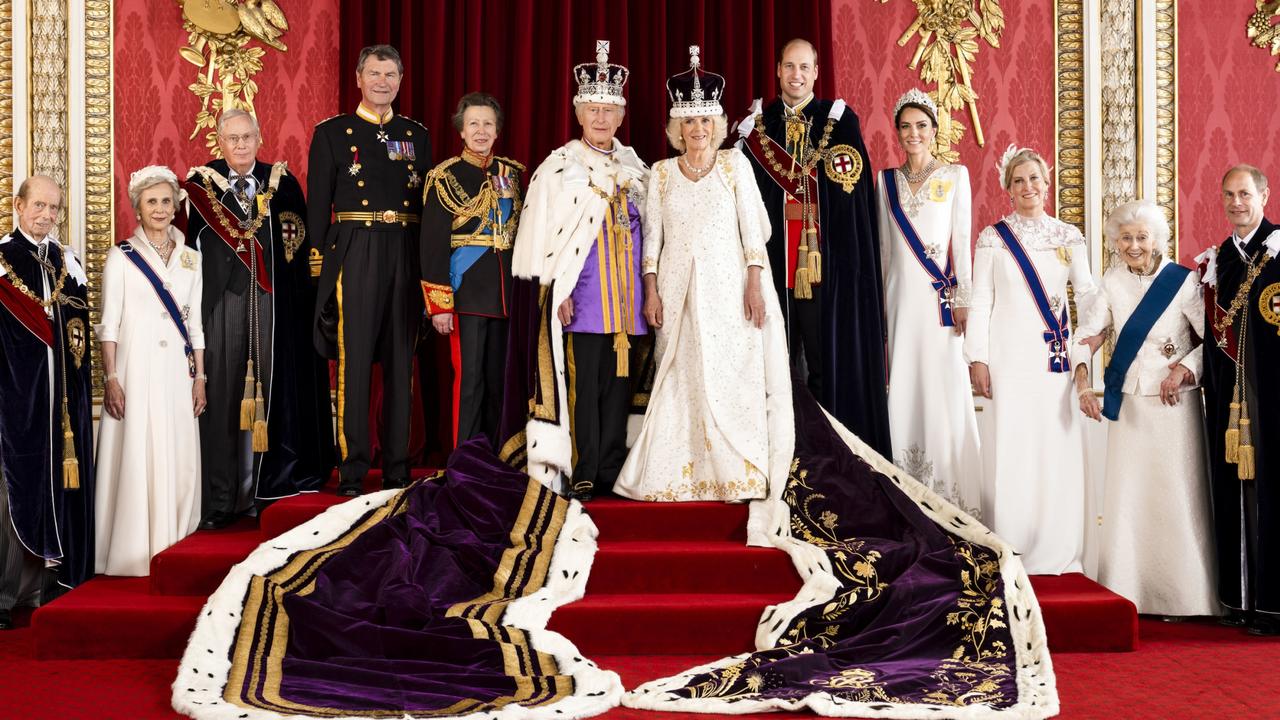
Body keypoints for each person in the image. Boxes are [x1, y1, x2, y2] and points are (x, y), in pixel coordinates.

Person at [615, 47, 790, 504]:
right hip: (676, 291)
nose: (698, 130)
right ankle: (680, 474)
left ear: (718, 123)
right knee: (681, 376)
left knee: (731, 373)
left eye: (706, 121)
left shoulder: (735, 165)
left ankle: (736, 472)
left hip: (730, 289)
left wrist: (755, 285)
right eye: (690, 122)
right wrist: (650, 291)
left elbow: (755, 234)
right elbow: (650, 241)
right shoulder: (662, 173)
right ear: (677, 127)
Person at [736, 38, 890, 457]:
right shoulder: (757, 129)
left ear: (816, 72)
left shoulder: (839, 122)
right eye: (789, 66)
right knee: (777, 365)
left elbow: (853, 199)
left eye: (804, 67)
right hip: (773, 266)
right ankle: (780, 452)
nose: (796, 75)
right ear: (778, 71)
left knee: (824, 364)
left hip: (825, 268)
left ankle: (826, 453)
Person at [510, 40, 648, 501]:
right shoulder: (560, 168)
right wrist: (557, 290)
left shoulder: (637, 168)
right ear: (578, 112)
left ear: (621, 116)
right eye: (593, 109)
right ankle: (584, 468)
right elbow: (542, 238)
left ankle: (613, 466)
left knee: (619, 388)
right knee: (583, 387)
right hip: (584, 298)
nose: (601, 118)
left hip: (629, 304)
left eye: (609, 110)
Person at [184, 109, 334, 530]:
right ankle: (220, 500)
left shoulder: (282, 184)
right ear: (219, 142)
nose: (240, 145)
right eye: (231, 138)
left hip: (272, 306)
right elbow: (185, 255)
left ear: (259, 137)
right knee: (224, 401)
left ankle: (265, 490)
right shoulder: (200, 185)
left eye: (246, 136)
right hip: (222, 306)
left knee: (271, 396)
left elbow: (299, 252)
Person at [1071, 199, 1216, 617]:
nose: (1134, 245)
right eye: (1126, 238)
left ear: (1157, 239)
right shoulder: (1112, 281)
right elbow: (1089, 333)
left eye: (1141, 237)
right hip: (1132, 402)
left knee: (1175, 494)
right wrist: (1083, 382)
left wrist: (1185, 370)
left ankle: (1187, 597)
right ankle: (1132, 592)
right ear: (1115, 243)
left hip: (1175, 404)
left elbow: (1215, 341)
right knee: (1132, 498)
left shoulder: (1184, 282)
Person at [964, 145, 1096, 575]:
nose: (1028, 187)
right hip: (1008, 358)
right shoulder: (992, 237)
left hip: (1053, 362)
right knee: (1013, 446)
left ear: (1047, 182)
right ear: (1008, 188)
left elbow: (1089, 294)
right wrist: (977, 358)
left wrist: (1090, 337)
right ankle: (1012, 542)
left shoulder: (1068, 235)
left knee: (1053, 447)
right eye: (1018, 180)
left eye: (1034, 179)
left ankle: (1057, 545)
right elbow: (981, 300)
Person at [308, 44, 432, 497]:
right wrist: (320, 267)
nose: (382, 82)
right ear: (359, 78)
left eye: (391, 75)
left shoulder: (415, 135)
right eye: (374, 74)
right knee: (354, 361)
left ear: (400, 81)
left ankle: (398, 467)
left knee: (402, 362)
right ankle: (353, 469)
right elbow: (318, 207)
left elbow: (426, 207)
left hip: (404, 247)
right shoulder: (333, 134)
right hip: (354, 249)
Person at [875, 88, 981, 518]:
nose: (913, 133)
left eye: (922, 126)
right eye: (906, 127)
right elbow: (884, 249)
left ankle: (951, 495)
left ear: (935, 131)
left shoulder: (955, 176)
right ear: (897, 133)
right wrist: (881, 306)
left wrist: (964, 299)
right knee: (904, 382)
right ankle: (906, 487)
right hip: (901, 301)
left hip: (940, 305)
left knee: (942, 387)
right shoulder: (885, 182)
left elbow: (963, 245)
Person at [94, 167, 206, 576]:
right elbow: (108, 323)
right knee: (139, 450)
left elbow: (195, 325)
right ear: (138, 209)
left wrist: (200, 377)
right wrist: (111, 378)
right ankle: (131, 551)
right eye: (151, 202)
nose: (160, 209)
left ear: (176, 206)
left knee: (176, 452)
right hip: (135, 369)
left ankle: (175, 546)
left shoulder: (192, 258)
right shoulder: (120, 256)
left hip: (178, 372)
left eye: (166, 201)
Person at [0, 176, 94, 629]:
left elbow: (79, 340)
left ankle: (46, 589)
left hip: (63, 407)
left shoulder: (66, 260)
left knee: (57, 488)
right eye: (38, 206)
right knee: (13, 496)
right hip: (15, 402)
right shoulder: (2, 260)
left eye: (54, 208)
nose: (47, 216)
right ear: (18, 206)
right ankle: (5, 597)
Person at [1200, 164, 1280, 635]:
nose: (1236, 203)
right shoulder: (1217, 262)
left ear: (1264, 195)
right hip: (1229, 401)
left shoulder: (1279, 250)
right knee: (1233, 490)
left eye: (1245, 193)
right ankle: (1240, 600)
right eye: (1229, 194)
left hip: (1273, 399)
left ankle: (1273, 605)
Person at [421, 93, 523, 447]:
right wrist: (440, 304)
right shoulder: (444, 176)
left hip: (505, 294)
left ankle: (496, 456)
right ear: (461, 131)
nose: (481, 131)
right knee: (470, 382)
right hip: (465, 294)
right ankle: (464, 460)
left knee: (500, 383)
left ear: (497, 131)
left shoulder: (510, 175)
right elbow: (433, 245)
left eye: (488, 124)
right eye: (474, 124)